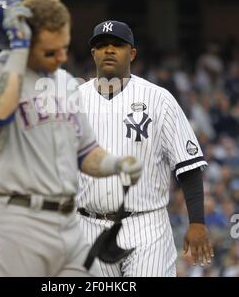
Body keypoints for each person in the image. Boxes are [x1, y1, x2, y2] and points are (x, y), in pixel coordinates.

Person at [0, 0, 142, 277]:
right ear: (22, 41)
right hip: (15, 221)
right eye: (51, 51)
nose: (62, 56)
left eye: (64, 46)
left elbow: (86, 152)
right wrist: (18, 50)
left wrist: (116, 164)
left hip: (68, 224)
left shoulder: (65, 82)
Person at [76, 20, 214, 277]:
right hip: (86, 225)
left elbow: (189, 167)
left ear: (132, 53)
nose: (108, 50)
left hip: (145, 225)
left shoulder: (159, 99)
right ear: (93, 53)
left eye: (117, 45)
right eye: (101, 45)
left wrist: (196, 222)